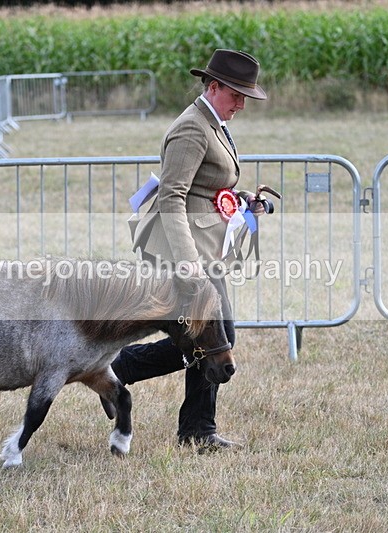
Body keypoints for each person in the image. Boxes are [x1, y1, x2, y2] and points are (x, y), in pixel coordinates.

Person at [111, 49, 268, 451]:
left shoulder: (213, 122)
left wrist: (241, 199)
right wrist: (188, 265)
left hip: (206, 249)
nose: (241, 103)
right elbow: (172, 197)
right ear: (213, 86)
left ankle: (196, 428)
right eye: (236, 94)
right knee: (217, 336)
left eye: (245, 96)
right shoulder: (192, 128)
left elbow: (207, 186)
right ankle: (119, 368)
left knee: (209, 336)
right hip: (187, 254)